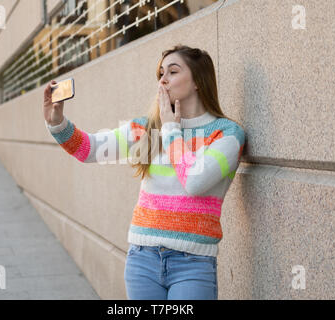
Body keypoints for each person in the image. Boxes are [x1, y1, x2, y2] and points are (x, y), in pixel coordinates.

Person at [43, 44, 245, 300]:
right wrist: (56, 122)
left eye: (173, 71)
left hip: (192, 264)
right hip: (142, 258)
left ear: (198, 81)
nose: (163, 79)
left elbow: (194, 180)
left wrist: (171, 129)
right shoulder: (147, 128)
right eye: (161, 72)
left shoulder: (227, 134)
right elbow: (90, 149)